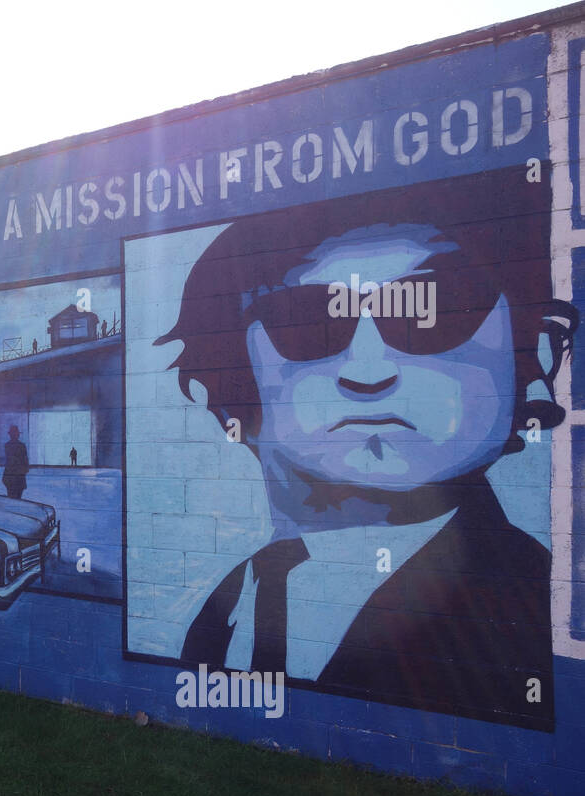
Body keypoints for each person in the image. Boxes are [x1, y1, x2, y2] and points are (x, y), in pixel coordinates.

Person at [154, 165, 575, 731]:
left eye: (434, 310)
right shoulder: (230, 600)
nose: (369, 369)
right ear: (226, 382)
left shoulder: (525, 609)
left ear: (540, 355)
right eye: (309, 321)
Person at [3, 424, 29, 499]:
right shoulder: (19, 445)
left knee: (13, 498)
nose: (16, 435)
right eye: (15, 434)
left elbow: (24, 460)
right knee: (15, 498)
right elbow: (24, 460)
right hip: (15, 477)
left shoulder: (8, 445)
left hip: (13, 477)